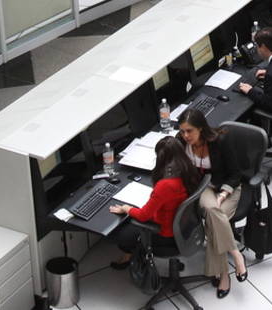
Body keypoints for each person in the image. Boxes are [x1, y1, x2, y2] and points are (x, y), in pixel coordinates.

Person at [176, 109, 251, 298]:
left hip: (227, 187)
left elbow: (235, 174)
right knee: (212, 211)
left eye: (189, 131)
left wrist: (223, 194)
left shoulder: (219, 141)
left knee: (214, 220)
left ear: (201, 128)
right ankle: (236, 254)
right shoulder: (181, 142)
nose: (185, 136)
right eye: (182, 131)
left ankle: (223, 274)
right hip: (204, 188)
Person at [107, 135, 200, 269]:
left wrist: (126, 208)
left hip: (166, 236)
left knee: (121, 233)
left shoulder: (165, 185)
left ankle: (130, 256)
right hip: (185, 228)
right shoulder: (189, 170)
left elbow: (144, 216)